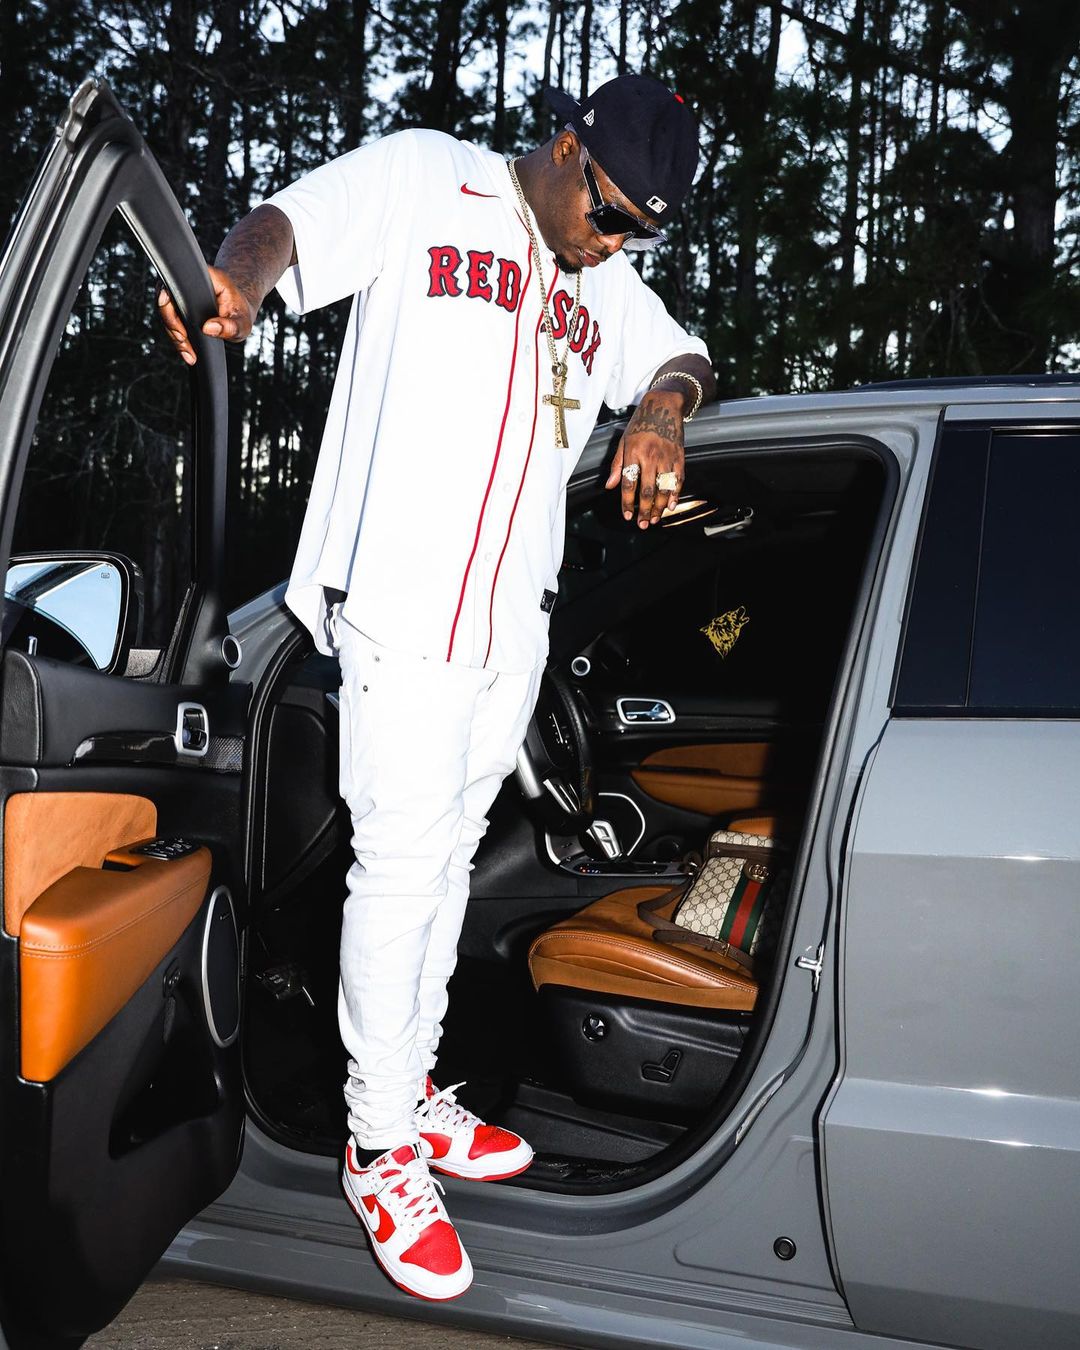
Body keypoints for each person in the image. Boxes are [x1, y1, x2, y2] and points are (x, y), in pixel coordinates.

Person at [160, 71, 715, 1302]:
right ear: (565, 148)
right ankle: (377, 1143)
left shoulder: (602, 282)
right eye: (609, 213)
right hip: (404, 612)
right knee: (402, 870)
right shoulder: (427, 179)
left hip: (512, 630)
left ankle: (409, 1089)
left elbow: (682, 350)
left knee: (449, 865)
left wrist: (664, 410)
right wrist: (234, 281)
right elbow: (286, 225)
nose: (612, 244)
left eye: (639, 233)